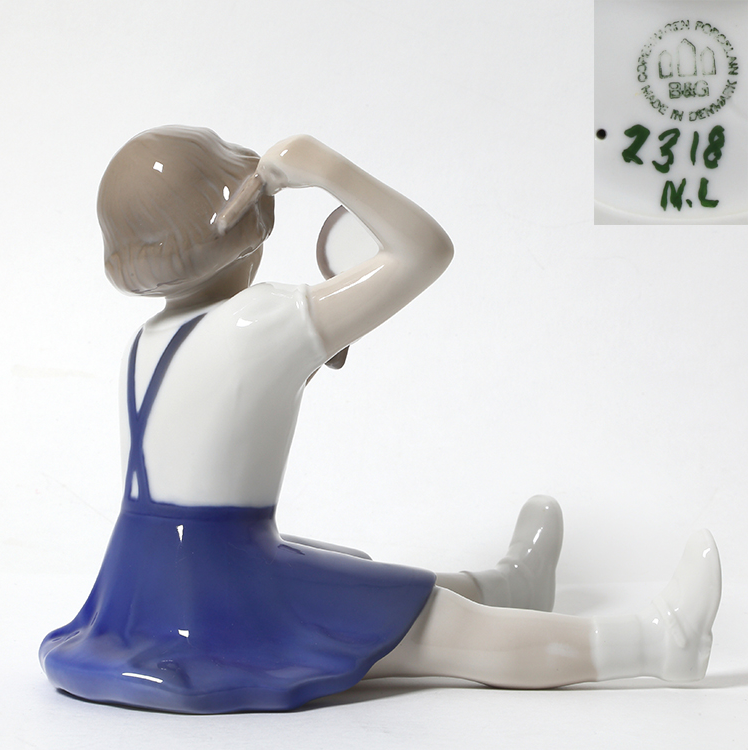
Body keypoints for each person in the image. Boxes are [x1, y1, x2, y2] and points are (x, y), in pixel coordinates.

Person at [40, 127, 721, 713]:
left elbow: (219, 423)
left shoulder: (146, 342)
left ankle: (514, 584)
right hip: (223, 592)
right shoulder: (259, 319)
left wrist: (302, 360)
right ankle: (659, 640)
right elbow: (424, 251)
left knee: (366, 579)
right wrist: (325, 169)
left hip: (144, 589)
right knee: (440, 631)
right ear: (239, 222)